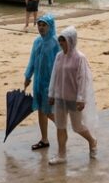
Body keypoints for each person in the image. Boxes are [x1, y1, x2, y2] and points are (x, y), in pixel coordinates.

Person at [47, 26, 99, 164]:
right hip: (59, 97)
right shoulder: (59, 56)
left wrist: (81, 98)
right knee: (60, 126)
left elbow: (83, 79)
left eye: (63, 40)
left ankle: (92, 141)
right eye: (60, 40)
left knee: (77, 127)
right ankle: (61, 155)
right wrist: (51, 93)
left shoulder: (80, 58)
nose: (61, 43)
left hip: (74, 99)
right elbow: (54, 75)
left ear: (71, 41)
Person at [23, 14, 60, 151]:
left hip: (51, 83)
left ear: (50, 26)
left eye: (44, 25)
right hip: (38, 81)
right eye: (39, 24)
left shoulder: (56, 43)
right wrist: (28, 76)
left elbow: (60, 64)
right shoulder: (37, 42)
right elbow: (32, 61)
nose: (41, 27)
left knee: (48, 110)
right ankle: (44, 139)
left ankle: (62, 127)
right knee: (40, 110)